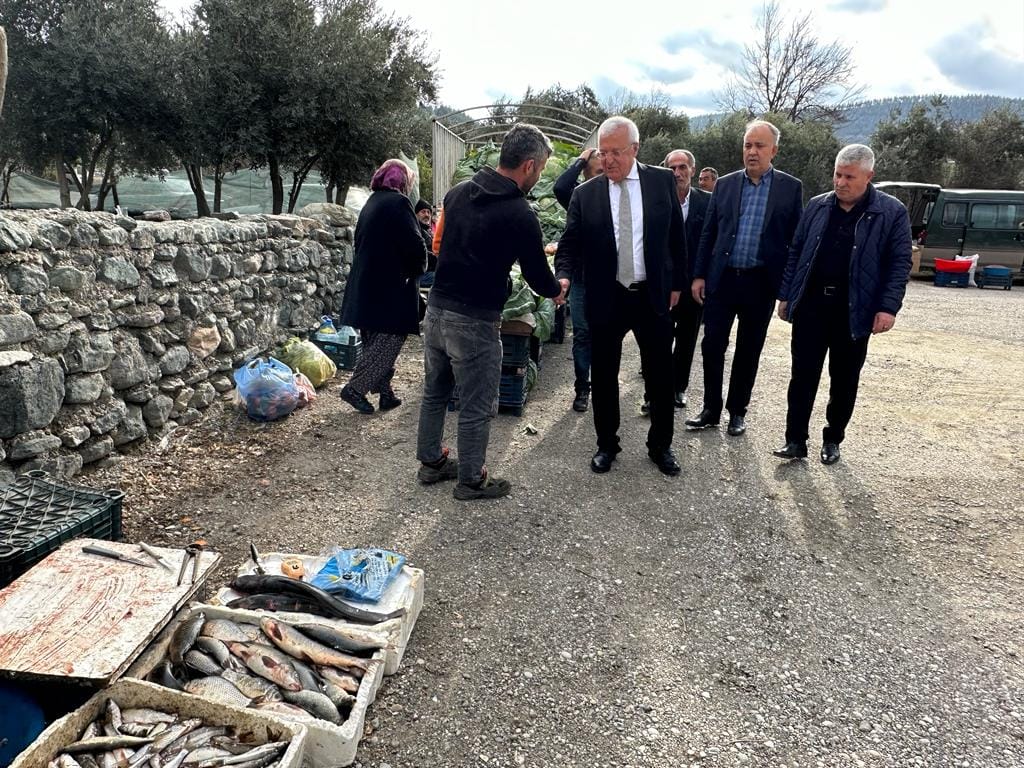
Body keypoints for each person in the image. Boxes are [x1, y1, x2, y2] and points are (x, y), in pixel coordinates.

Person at [416, 124, 564, 501]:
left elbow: (441, 245)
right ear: (529, 165)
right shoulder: (520, 214)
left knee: (435, 392)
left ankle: (431, 462)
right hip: (476, 320)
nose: (540, 176)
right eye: (542, 168)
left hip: (436, 310)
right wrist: (556, 290)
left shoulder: (457, 194)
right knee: (477, 403)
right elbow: (535, 275)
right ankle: (471, 479)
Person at [555, 116, 687, 476]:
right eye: (603, 152)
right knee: (605, 373)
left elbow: (677, 236)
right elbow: (568, 243)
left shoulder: (661, 182)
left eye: (616, 152)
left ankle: (661, 445)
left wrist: (678, 282)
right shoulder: (586, 194)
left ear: (635, 149)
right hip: (607, 296)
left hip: (652, 296)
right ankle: (606, 444)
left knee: (660, 374)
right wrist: (563, 277)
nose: (608, 160)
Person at [773, 144, 912, 465]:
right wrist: (786, 295)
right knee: (802, 376)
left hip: (854, 312)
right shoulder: (817, 206)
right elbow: (796, 253)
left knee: (844, 379)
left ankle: (833, 438)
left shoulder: (890, 213)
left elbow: (899, 263)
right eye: (837, 174)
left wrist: (888, 307)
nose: (841, 182)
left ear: (869, 176)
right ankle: (795, 440)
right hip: (811, 307)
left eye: (849, 177)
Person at [687, 119, 803, 438]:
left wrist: (787, 289)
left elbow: (795, 241)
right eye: (747, 145)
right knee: (712, 345)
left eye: (759, 146)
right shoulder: (725, 184)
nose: (751, 152)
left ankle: (737, 411)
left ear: (774, 150)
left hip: (760, 283)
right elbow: (709, 233)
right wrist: (699, 275)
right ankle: (711, 408)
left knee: (749, 350)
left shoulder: (789, 188)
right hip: (722, 281)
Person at [338, 159, 427, 414]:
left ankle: (386, 394)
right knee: (389, 340)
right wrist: (419, 267)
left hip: (366, 286)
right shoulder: (398, 203)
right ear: (402, 181)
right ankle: (355, 388)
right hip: (389, 288)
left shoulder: (372, 202)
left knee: (375, 342)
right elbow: (414, 243)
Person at [642, 149, 711, 415]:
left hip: (693, 286)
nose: (678, 173)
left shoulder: (707, 202)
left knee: (686, 339)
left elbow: (711, 242)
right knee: (655, 341)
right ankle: (652, 393)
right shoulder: (654, 201)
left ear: (693, 170)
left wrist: (701, 277)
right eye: (672, 168)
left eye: (683, 167)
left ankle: (678, 388)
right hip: (659, 285)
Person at [553, 146, 603, 413]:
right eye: (595, 170)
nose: (602, 174)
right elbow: (560, 187)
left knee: (605, 334)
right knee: (583, 335)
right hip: (583, 279)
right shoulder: (578, 196)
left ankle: (605, 385)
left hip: (611, 280)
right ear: (584, 174)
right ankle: (583, 387)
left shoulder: (617, 194)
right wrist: (582, 158)